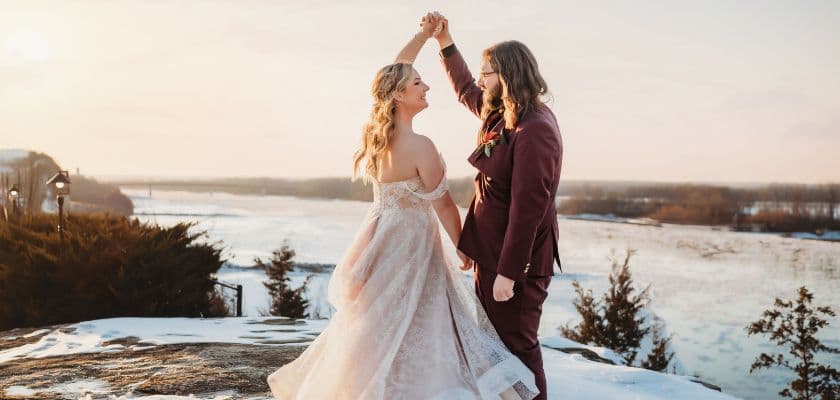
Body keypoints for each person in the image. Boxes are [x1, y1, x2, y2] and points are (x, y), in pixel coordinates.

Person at [266, 16, 537, 400]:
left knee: (378, 319)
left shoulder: (379, 136)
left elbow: (394, 72)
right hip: (411, 242)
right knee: (420, 314)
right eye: (417, 84)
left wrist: (425, 36)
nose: (426, 86)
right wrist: (464, 247)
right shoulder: (420, 146)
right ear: (399, 95)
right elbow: (443, 206)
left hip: (380, 235)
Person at [429, 12, 564, 400]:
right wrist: (445, 42)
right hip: (490, 252)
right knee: (495, 343)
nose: (483, 79)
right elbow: (465, 88)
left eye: (488, 73)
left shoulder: (536, 128)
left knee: (517, 343)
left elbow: (529, 207)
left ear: (507, 75)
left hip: (516, 263)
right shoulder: (500, 113)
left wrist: (509, 272)